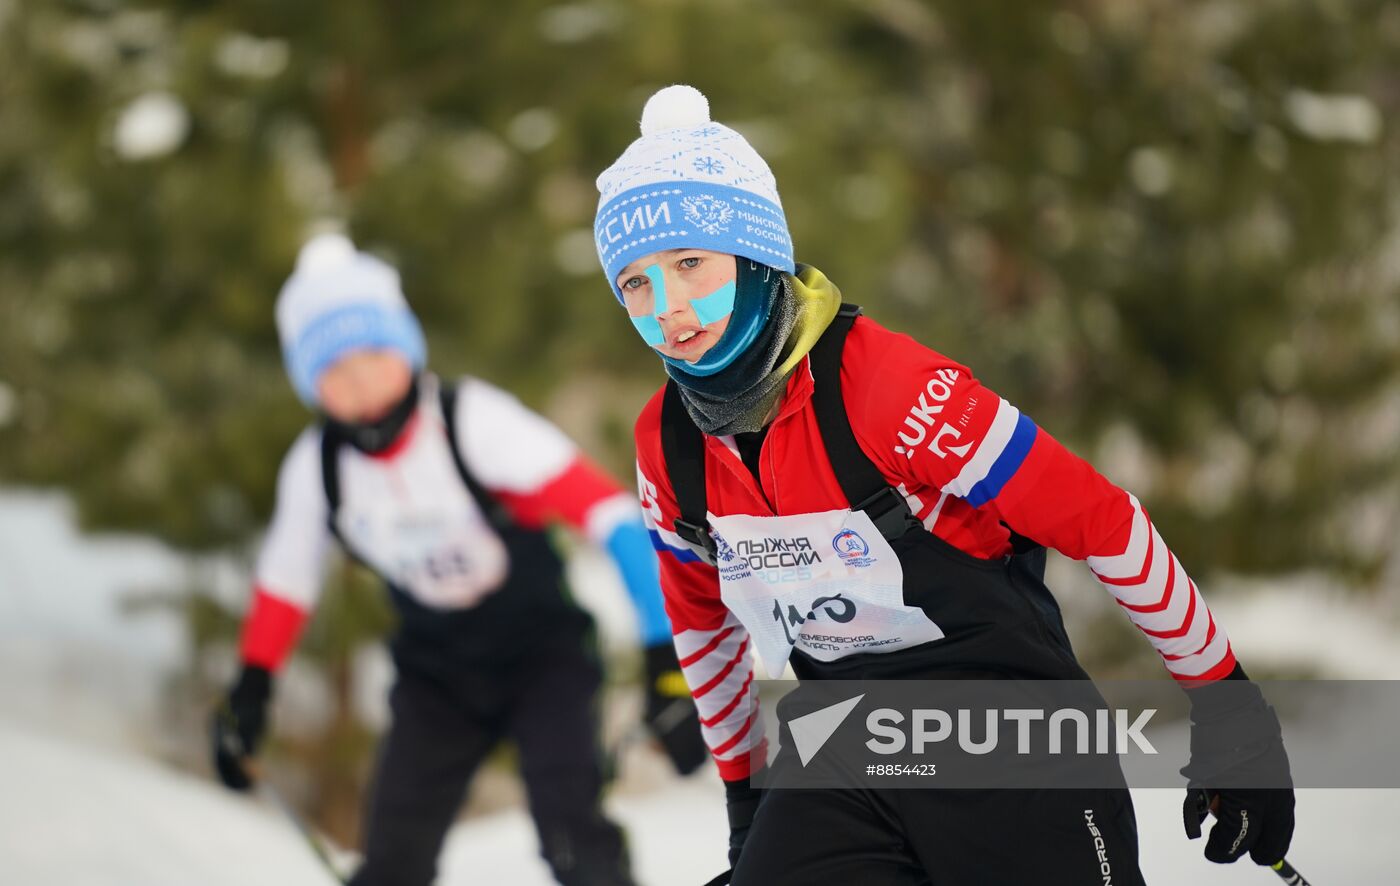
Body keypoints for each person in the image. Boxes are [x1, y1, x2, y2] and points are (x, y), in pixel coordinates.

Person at [592, 85, 1295, 885]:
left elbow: (1103, 523)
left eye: (690, 263)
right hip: (847, 753)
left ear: (758, 257)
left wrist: (1233, 717)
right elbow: (704, 626)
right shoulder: (670, 447)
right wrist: (748, 806)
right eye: (636, 283)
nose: (669, 309)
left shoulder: (889, 388)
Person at [211, 233, 706, 886]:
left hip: (541, 657)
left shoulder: (472, 422)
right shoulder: (318, 467)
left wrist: (665, 660)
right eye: (335, 368)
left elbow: (616, 519)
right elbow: (285, 581)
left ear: (406, 349)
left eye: (373, 355)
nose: (360, 382)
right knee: (392, 861)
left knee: (573, 837)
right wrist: (251, 692)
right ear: (310, 382)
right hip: (436, 676)